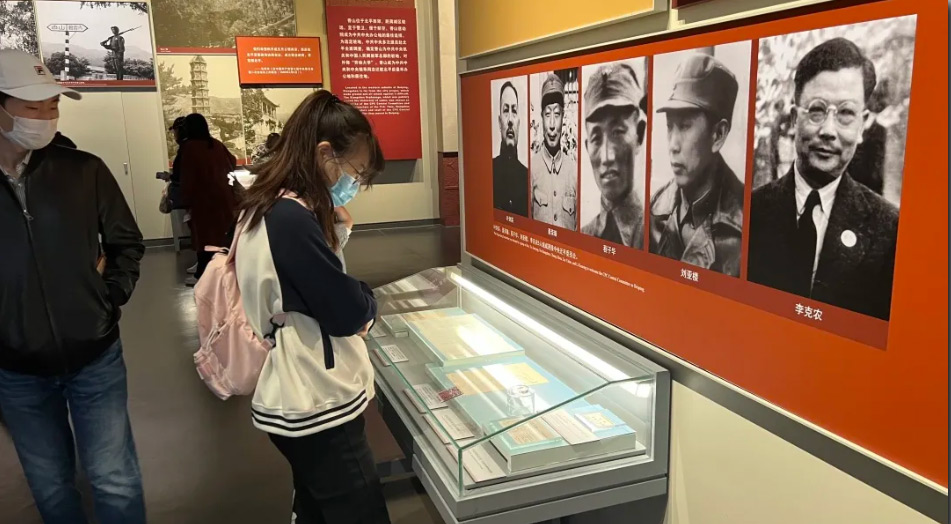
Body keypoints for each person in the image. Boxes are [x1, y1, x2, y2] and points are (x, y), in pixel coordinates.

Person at [0, 49, 146, 524]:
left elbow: (126, 243)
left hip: (94, 355)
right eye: (31, 107)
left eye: (53, 106)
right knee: (50, 484)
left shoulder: (83, 170)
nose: (45, 118)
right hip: (15, 368)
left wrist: (108, 297)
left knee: (114, 477)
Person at [234, 90, 391, 524]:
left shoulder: (271, 203)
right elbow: (346, 311)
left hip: (298, 391)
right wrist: (366, 299)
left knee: (315, 507)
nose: (354, 184)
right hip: (318, 400)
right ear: (325, 153)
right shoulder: (290, 219)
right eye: (355, 171)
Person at [748, 37, 898, 320]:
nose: (829, 131)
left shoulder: (889, 230)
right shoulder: (750, 211)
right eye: (817, 110)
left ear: (863, 124)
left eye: (846, 113)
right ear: (794, 118)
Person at [650, 53, 744, 276]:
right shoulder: (655, 207)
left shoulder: (745, 222)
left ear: (718, 135)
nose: (673, 145)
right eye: (670, 126)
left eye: (684, 126)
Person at [581, 62, 647, 248]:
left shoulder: (663, 240)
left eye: (617, 132)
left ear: (639, 135)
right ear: (587, 147)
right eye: (596, 138)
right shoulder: (583, 237)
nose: (607, 157)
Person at [179, 113, 239, 283]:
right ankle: (224, 271)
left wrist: (186, 200)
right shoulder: (216, 144)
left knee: (204, 238)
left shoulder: (189, 147)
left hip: (203, 200)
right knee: (221, 236)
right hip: (224, 197)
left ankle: (204, 274)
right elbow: (232, 162)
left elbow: (187, 177)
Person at [531, 73, 577, 230]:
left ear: (563, 117)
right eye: (547, 114)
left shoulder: (574, 171)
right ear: (541, 117)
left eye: (556, 114)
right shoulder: (531, 170)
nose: (552, 124)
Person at [493, 81, 528, 216]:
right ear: (499, 122)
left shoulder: (527, 177)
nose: (510, 120)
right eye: (505, 110)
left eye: (514, 111)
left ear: (519, 123)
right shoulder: (490, 171)